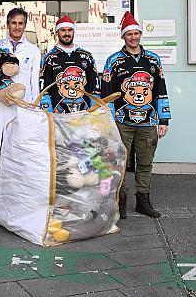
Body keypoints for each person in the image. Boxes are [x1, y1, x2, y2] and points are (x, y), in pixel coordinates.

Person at [103, 11, 171, 219]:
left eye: (136, 33)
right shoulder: (113, 61)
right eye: (129, 34)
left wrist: (164, 119)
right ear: (123, 36)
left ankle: (143, 200)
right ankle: (120, 201)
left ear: (140, 35)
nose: (133, 37)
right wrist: (109, 120)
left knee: (145, 161)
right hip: (122, 122)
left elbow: (161, 89)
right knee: (119, 162)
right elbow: (107, 94)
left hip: (148, 121)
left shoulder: (153, 60)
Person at [0, 8, 40, 199]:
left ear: (25, 25)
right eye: (13, 23)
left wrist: (33, 111)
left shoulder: (33, 51)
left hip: (22, 111)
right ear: (7, 25)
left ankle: (16, 200)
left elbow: (33, 86)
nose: (17, 27)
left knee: (19, 158)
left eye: (20, 23)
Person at [40, 15, 100, 113]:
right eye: (63, 30)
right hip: (59, 116)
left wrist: (94, 111)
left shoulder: (87, 56)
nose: (67, 33)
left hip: (84, 114)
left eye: (70, 30)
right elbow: (44, 90)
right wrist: (49, 112)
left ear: (74, 32)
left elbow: (95, 88)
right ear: (57, 32)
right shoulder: (48, 58)